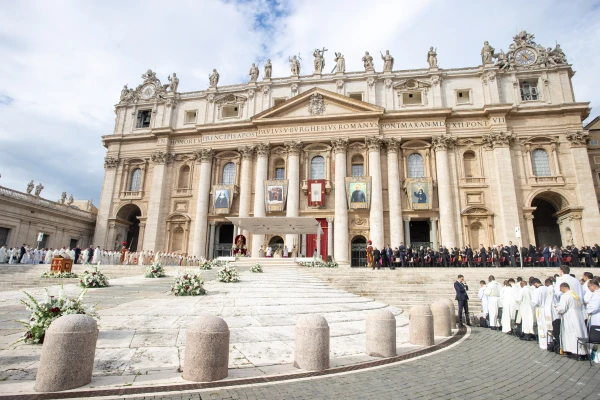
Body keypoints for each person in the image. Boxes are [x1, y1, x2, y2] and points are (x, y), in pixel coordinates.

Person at [556, 282, 588, 358]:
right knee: (579, 332)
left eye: (561, 289)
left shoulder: (565, 296)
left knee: (572, 333)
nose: (561, 291)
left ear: (563, 288)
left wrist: (557, 308)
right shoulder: (578, 296)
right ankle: (582, 350)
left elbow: (562, 308)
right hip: (579, 316)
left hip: (569, 317)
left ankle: (574, 351)